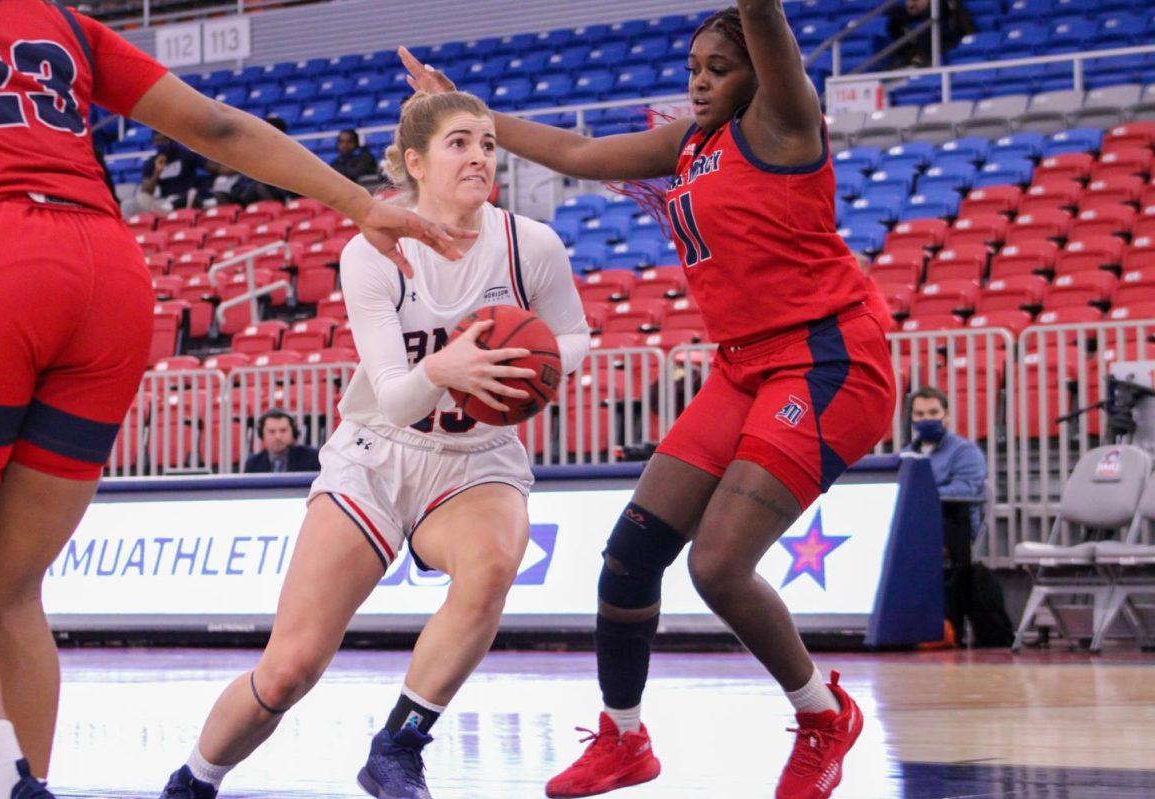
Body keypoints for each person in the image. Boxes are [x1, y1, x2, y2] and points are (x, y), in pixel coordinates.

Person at [0, 5, 473, 799]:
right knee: (12, 589)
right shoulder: (63, 21)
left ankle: (8, 785)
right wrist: (361, 203)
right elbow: (220, 129)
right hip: (109, 273)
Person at [403, 3, 897, 797]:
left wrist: (757, 17)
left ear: (758, 73)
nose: (700, 83)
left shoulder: (785, 122)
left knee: (719, 564)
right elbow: (577, 150)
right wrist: (471, 115)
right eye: (694, 68)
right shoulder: (691, 141)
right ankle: (625, 738)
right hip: (744, 366)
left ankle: (821, 714)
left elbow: (765, 21)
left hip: (828, 358)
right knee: (630, 555)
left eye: (719, 69)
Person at [156, 89, 590, 799]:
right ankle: (194, 780)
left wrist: (535, 368)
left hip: (476, 459)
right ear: (415, 162)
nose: (480, 155)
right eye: (460, 143)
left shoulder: (530, 244)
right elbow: (393, 393)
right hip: (377, 453)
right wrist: (443, 369)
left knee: (492, 566)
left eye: (487, 142)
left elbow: (573, 335)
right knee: (289, 668)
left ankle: (399, 744)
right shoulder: (373, 252)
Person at [906, 386, 988, 532]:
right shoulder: (906, 454)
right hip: (915, 522)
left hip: (953, 528)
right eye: (919, 414)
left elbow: (966, 490)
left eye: (933, 412)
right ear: (911, 418)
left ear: (947, 415)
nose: (926, 418)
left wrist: (922, 494)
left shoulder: (965, 451)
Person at [243, 410, 320, 473]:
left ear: (293, 432)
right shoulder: (253, 464)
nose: (278, 437)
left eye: (283, 431)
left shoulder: (312, 458)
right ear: (262, 434)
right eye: (272, 431)